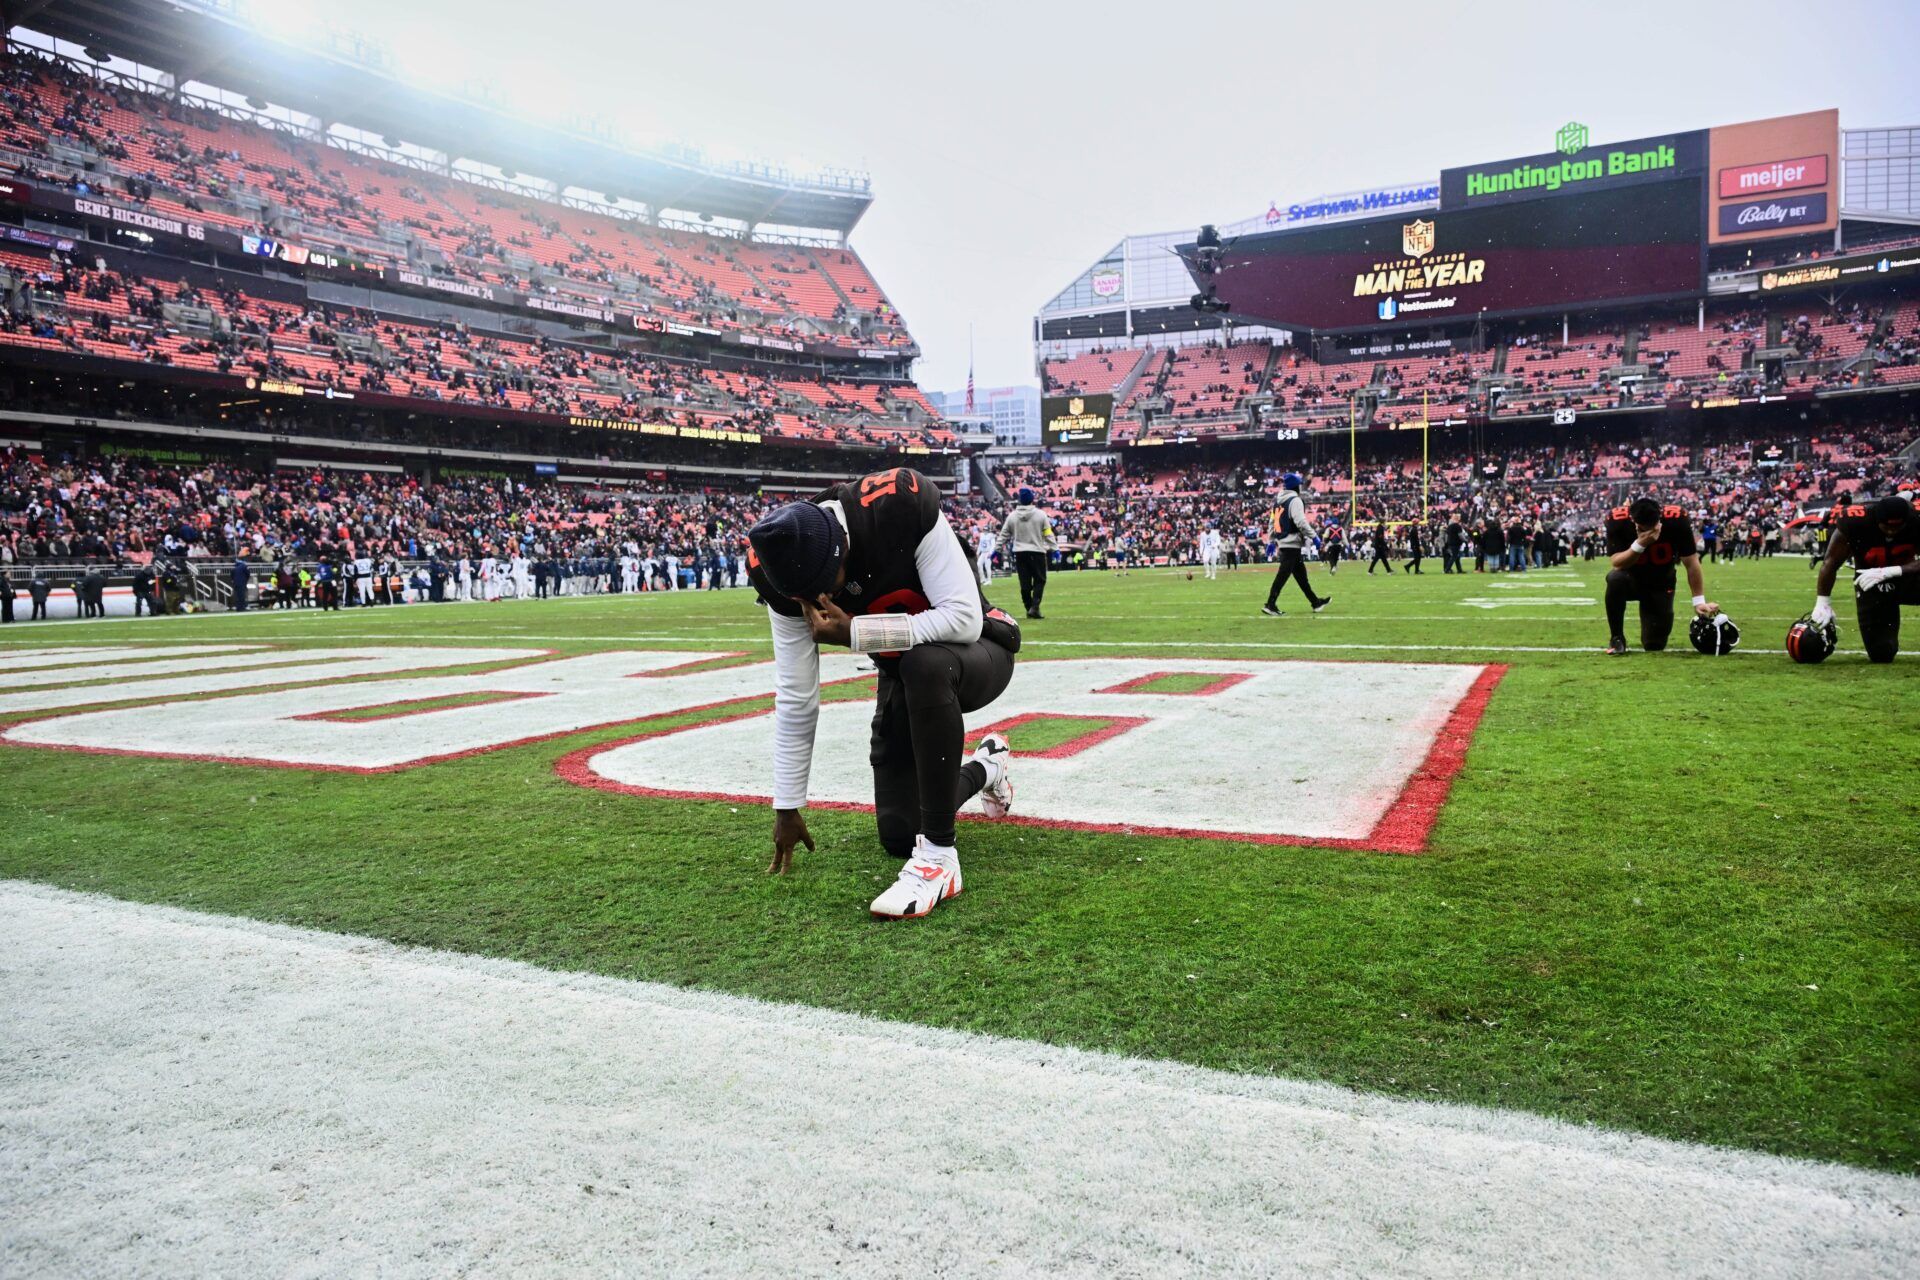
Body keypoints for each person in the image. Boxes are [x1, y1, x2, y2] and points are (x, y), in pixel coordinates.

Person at [749, 467, 1020, 920]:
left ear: (843, 550)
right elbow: (797, 695)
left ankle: (939, 859)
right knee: (900, 833)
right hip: (902, 672)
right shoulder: (779, 561)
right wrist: (787, 804)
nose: (817, 602)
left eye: (826, 587)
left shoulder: (897, 505)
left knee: (924, 662)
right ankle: (987, 768)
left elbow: (962, 620)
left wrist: (857, 631)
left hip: (978, 650)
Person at [1810, 495, 1920, 663]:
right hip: (1871, 583)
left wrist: (1894, 570)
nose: (1892, 531)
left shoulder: (1917, 519)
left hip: (1910, 577)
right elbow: (1830, 562)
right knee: (1881, 653)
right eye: (1887, 527)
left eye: (1898, 527)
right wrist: (1822, 602)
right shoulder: (1855, 521)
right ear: (1876, 520)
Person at [1603, 496, 1717, 656]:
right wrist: (1640, 544)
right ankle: (1617, 638)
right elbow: (1616, 563)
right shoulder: (1618, 520)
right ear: (1633, 520)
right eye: (1644, 528)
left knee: (1654, 644)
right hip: (1631, 580)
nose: (1649, 531)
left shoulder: (1677, 520)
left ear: (1660, 517)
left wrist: (1698, 602)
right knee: (1615, 579)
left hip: (1661, 585)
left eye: (1653, 526)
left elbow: (1691, 562)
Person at [1261, 473, 1331, 617]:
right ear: (1295, 486)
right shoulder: (1295, 500)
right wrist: (1315, 537)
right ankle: (1270, 604)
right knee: (1283, 575)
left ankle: (1315, 602)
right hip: (1291, 543)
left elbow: (1272, 523)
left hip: (1285, 542)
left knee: (1301, 577)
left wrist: (1271, 540)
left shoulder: (1278, 502)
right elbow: (1300, 522)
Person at [1000, 486, 1053, 620]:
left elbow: (1004, 534)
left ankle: (1028, 607)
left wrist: (996, 549)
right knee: (1040, 580)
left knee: (1024, 583)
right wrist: (1055, 548)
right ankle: (1034, 607)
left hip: (1020, 553)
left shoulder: (1012, 517)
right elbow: (1048, 533)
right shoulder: (1041, 515)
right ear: (1032, 499)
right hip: (1037, 552)